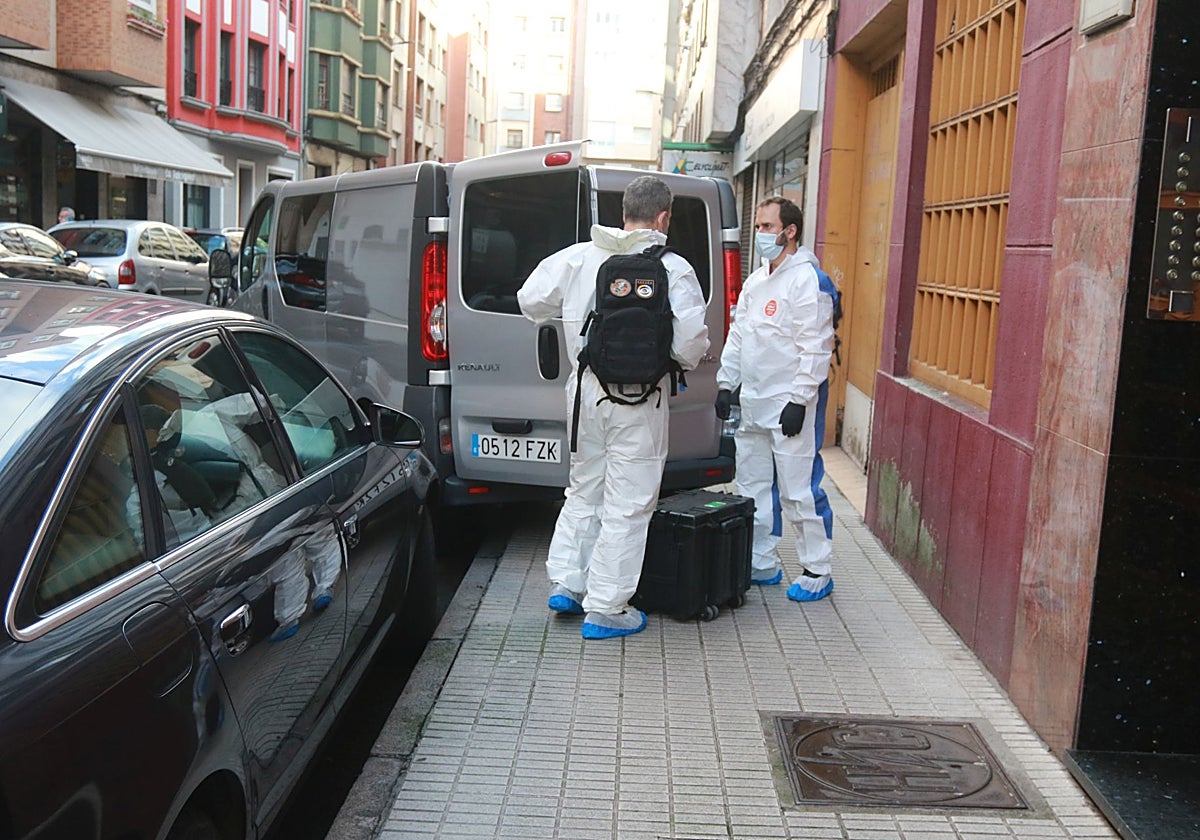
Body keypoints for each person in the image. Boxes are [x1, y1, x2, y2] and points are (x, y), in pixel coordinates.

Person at [517, 175, 709, 639]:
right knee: (629, 501)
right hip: (641, 402)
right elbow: (689, 347)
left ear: (623, 210)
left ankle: (567, 582)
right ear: (663, 217)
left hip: (585, 393)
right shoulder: (674, 268)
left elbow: (529, 300)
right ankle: (606, 607)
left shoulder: (580, 255)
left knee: (583, 488)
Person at [715, 196, 837, 602]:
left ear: (790, 231)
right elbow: (739, 336)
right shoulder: (756, 280)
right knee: (752, 486)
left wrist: (800, 400)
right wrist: (724, 383)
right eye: (758, 226)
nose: (761, 234)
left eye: (768, 227)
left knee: (797, 490)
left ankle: (817, 568)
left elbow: (816, 346)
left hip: (788, 406)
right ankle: (760, 560)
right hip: (753, 402)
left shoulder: (807, 280)